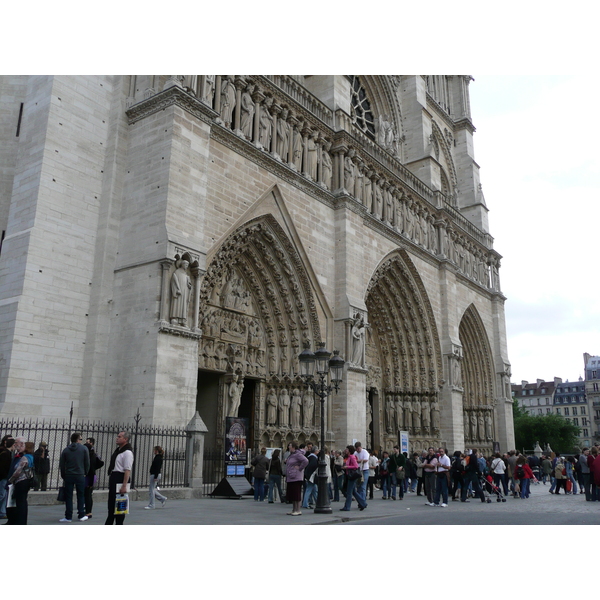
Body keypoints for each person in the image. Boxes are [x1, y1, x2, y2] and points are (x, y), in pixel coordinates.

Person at [59, 432, 90, 523]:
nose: (81, 441)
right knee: (81, 495)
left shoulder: (66, 450)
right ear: (77, 440)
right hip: (80, 475)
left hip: (69, 475)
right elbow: (87, 463)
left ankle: (68, 516)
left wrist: (64, 475)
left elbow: (62, 464)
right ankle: (81, 514)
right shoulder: (84, 449)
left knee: (68, 496)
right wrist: (85, 472)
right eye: (80, 439)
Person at [105, 431, 134, 525]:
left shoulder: (127, 453)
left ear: (125, 439)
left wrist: (124, 485)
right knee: (111, 505)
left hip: (120, 478)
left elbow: (127, 470)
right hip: (114, 477)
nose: (117, 438)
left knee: (120, 507)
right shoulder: (118, 451)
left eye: (119, 436)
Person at [6, 439, 34, 525]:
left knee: (20, 502)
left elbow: (18, 471)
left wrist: (10, 480)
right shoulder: (31, 457)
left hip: (21, 481)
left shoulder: (25, 458)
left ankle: (20, 521)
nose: (21, 447)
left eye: (23, 446)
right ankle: (21, 521)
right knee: (22, 502)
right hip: (27, 481)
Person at [340, 445, 367, 512]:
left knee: (349, 492)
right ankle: (363, 503)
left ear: (349, 450)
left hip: (352, 476)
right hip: (349, 475)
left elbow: (355, 466)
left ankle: (347, 507)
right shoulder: (349, 457)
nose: (345, 450)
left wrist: (347, 467)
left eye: (347, 449)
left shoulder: (352, 457)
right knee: (353, 492)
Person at [284, 442, 308, 516]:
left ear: (293, 447)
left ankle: (298, 510)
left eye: (290, 446)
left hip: (296, 476)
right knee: (292, 494)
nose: (289, 447)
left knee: (296, 493)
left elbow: (306, 461)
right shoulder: (292, 454)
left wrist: (300, 468)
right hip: (291, 476)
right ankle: (294, 509)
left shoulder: (298, 454)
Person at [84, 437, 104, 518]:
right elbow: (101, 463)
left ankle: (87, 511)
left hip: (88, 476)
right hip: (92, 476)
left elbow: (100, 463)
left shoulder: (89, 455)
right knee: (88, 494)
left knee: (86, 494)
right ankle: (88, 511)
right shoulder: (94, 455)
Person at [0, 434, 15, 519]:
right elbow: (3, 467)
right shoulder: (5, 453)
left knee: (4, 495)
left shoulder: (10, 453)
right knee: (2, 495)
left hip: (5, 477)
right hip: (3, 477)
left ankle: (2, 512)